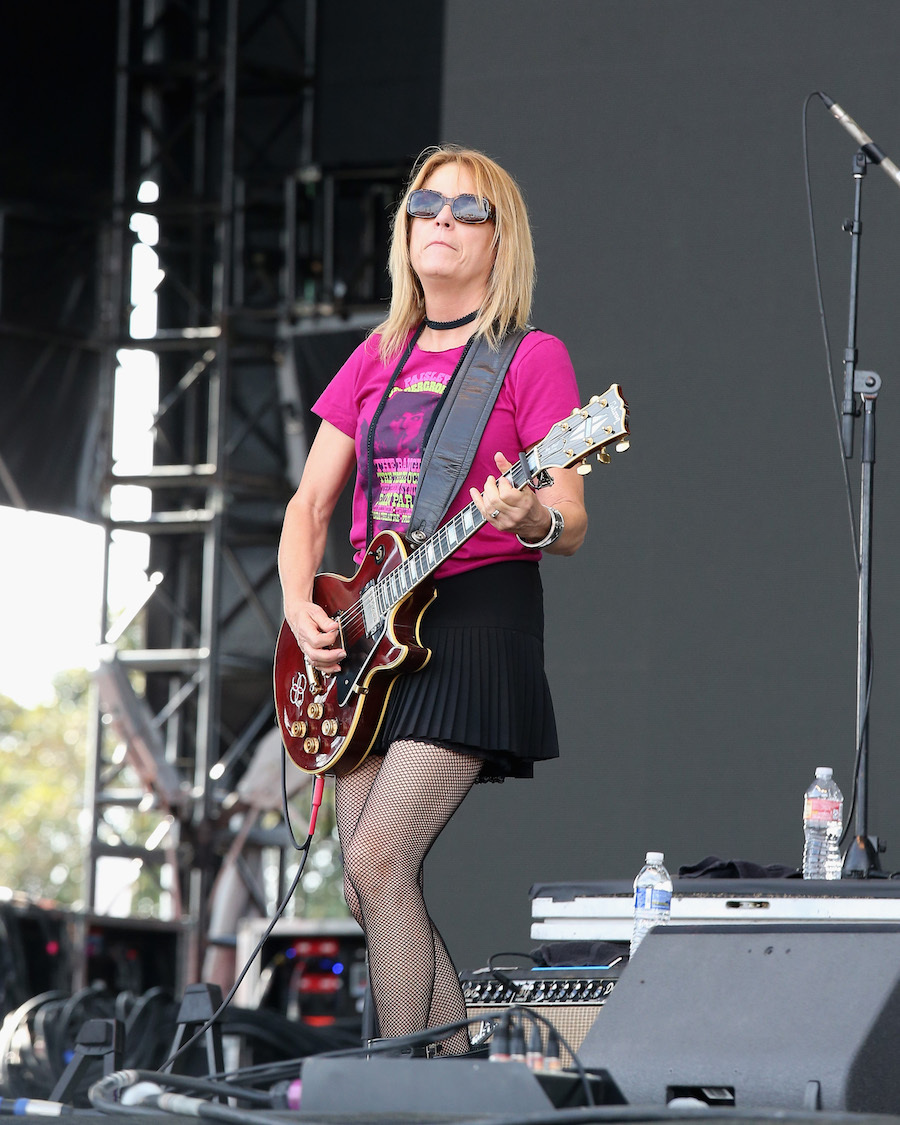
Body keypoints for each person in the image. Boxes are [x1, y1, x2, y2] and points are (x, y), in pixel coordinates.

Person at [277, 144, 587, 1055]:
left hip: (474, 619)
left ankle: (395, 1084)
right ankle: (455, 1074)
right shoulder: (376, 356)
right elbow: (309, 505)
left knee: (379, 855)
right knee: (364, 881)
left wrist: (530, 514)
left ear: (499, 239)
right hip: (370, 630)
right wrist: (298, 602)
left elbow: (569, 519)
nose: (441, 218)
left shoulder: (531, 356)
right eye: (425, 204)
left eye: (466, 207)